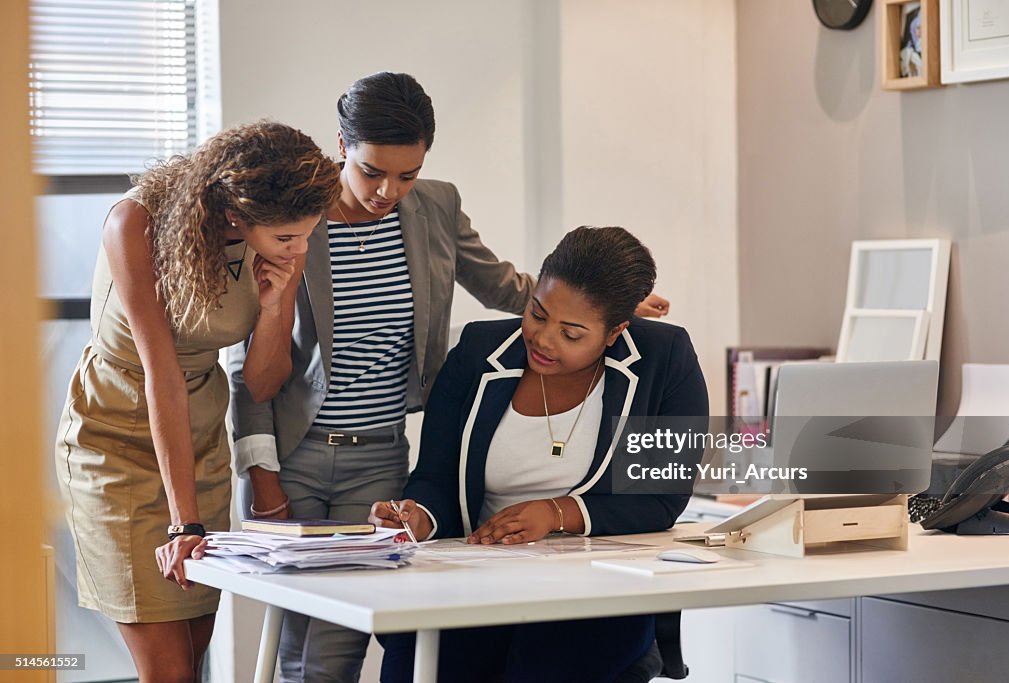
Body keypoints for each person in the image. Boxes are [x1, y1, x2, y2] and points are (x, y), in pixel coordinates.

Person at [227, 71, 670, 682]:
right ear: (342, 146)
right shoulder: (295, 219)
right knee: (300, 645)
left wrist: (602, 308)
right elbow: (244, 360)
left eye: (406, 174)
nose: (389, 191)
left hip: (380, 454)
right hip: (293, 453)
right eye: (372, 171)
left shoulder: (435, 205)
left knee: (343, 643)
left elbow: (506, 286)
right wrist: (261, 473)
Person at [54, 121, 340, 683]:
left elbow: (261, 383)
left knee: (194, 655)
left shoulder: (283, 240)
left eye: (308, 234)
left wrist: (278, 300)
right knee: (168, 672)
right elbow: (161, 374)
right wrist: (185, 526)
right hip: (117, 438)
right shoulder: (135, 224)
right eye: (288, 238)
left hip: (202, 439)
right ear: (236, 213)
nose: (300, 247)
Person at [370, 226, 709, 683]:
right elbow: (435, 477)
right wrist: (420, 517)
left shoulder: (663, 360)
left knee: (548, 661)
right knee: (418, 661)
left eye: (571, 333)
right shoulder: (477, 351)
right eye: (538, 314)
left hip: (594, 590)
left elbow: (661, 498)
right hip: (474, 583)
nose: (544, 340)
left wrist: (557, 513)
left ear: (615, 332)